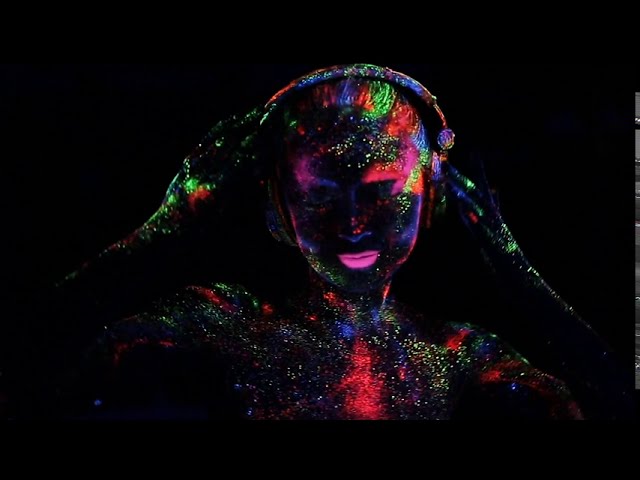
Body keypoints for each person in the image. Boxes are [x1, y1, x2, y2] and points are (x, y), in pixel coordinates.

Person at [3, 64, 633, 420]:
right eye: (320, 197)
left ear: (433, 197)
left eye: (381, 192)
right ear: (277, 209)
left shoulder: (459, 353)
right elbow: (24, 370)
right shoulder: (225, 324)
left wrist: (512, 266)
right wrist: (160, 232)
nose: (353, 224)